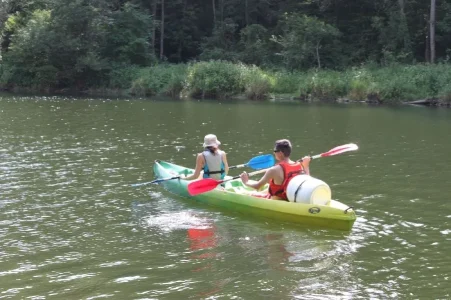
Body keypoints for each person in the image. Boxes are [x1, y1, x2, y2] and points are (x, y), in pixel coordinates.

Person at [240, 139, 311, 200]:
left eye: (275, 151)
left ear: (280, 153)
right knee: (266, 189)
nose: (274, 153)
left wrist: (245, 182)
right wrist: (306, 166)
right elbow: (306, 183)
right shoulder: (299, 165)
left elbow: (257, 186)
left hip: (275, 199)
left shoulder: (273, 170)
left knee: (247, 193)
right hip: (289, 197)